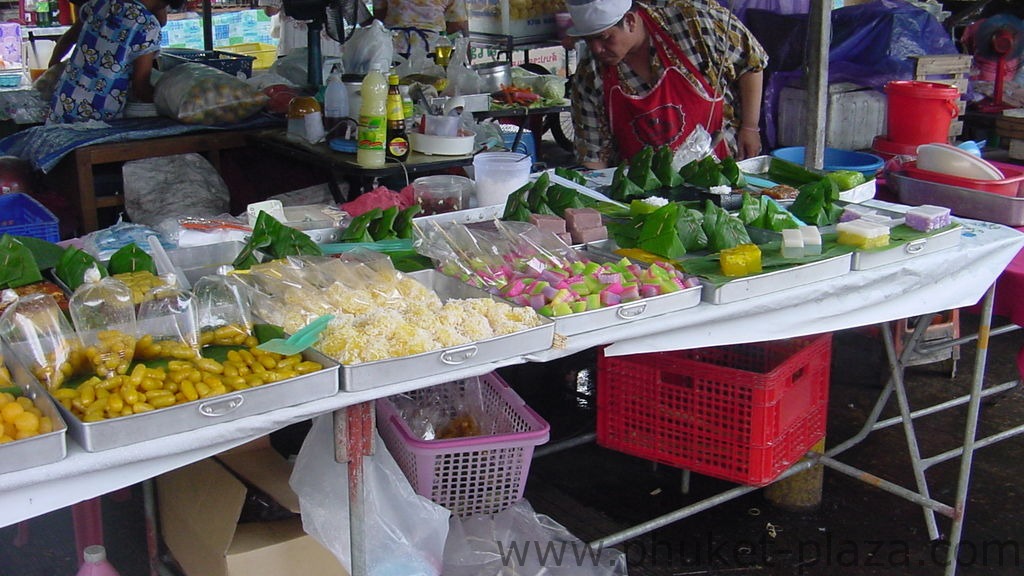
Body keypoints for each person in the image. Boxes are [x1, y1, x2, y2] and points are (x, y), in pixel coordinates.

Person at [566, 0, 768, 168]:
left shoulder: (694, 23)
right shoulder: (590, 72)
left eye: (604, 37)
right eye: (588, 40)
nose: (597, 49)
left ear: (629, 21)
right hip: (645, 192)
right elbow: (593, 153)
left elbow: (751, 62)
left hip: (720, 170)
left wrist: (750, 127)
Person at [47, 0, 181, 123]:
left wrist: (52, 69)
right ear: (164, 5)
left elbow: (67, 39)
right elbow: (140, 88)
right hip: (96, 116)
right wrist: (173, 105)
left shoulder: (100, 3)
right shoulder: (148, 26)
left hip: (61, 104)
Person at [371, 0, 468, 56]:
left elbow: (379, 17)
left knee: (393, 87)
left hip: (394, 48)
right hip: (432, 48)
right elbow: (458, 24)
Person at [259, 0, 343, 58]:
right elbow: (348, 9)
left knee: (293, 81)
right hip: (329, 42)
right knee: (331, 79)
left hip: (295, 45)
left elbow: (271, 10)